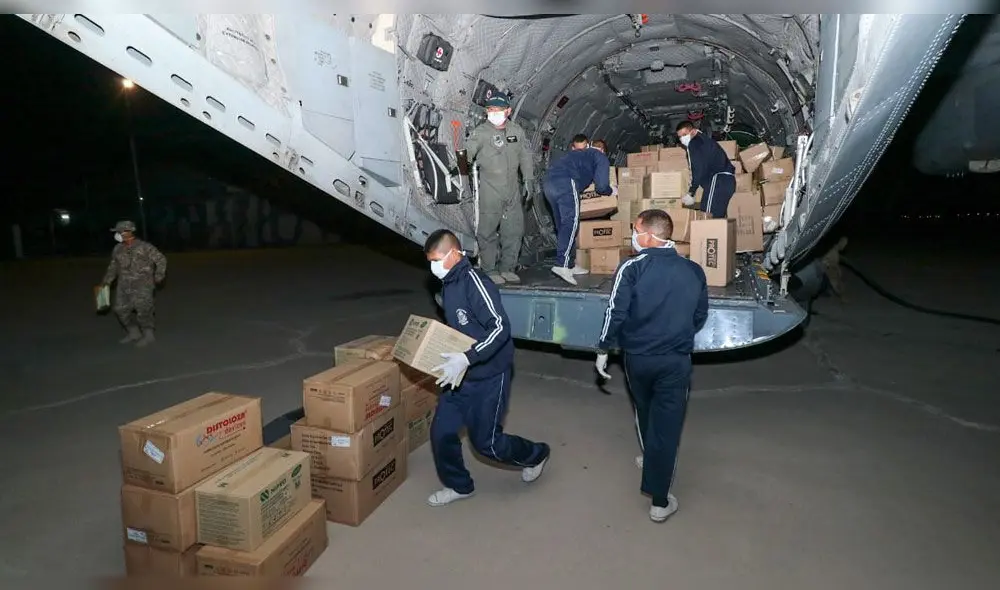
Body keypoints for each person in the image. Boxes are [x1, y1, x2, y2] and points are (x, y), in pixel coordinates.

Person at [593, 209, 708, 523]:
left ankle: (652, 462)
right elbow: (700, 316)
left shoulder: (632, 267)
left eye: (635, 229)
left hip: (638, 359)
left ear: (648, 235)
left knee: (644, 410)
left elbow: (615, 311)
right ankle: (660, 500)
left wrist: (604, 348)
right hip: (676, 360)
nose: (633, 235)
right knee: (668, 426)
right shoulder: (694, 270)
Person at [424, 229, 551, 507]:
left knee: (487, 444)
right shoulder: (448, 282)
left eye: (437, 259)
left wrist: (468, 357)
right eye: (430, 261)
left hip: (490, 374)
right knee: (441, 432)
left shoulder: (474, 282)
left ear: (454, 254)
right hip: (460, 374)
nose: (433, 267)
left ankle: (536, 454)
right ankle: (459, 486)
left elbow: (500, 328)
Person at [465, 95, 535, 285]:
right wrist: (463, 161)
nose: (494, 113)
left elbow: (525, 156)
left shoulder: (516, 131)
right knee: (487, 231)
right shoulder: (481, 132)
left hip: (512, 189)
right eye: (490, 110)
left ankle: (507, 267)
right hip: (490, 189)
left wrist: (528, 179)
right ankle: (489, 269)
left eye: (498, 110)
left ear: (508, 111)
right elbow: (468, 151)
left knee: (514, 230)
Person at [542, 135, 617, 285]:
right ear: (603, 150)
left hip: (548, 184)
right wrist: (612, 191)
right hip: (566, 183)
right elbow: (601, 186)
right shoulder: (599, 156)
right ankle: (562, 265)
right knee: (571, 222)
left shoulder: (574, 155)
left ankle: (569, 264)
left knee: (562, 226)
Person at [101, 220, 167, 347]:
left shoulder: (144, 247)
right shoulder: (118, 248)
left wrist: (159, 275)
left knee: (143, 309)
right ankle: (133, 332)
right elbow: (113, 266)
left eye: (119, 232)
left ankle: (148, 335)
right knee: (120, 309)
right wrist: (106, 281)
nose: (117, 234)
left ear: (128, 232)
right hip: (124, 284)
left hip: (143, 284)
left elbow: (161, 259)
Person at [676, 121, 736, 219]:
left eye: (684, 134)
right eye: (680, 137)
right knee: (717, 218)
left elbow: (697, 169)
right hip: (727, 181)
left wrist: (691, 192)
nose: (682, 138)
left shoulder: (694, 144)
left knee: (707, 217)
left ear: (694, 131)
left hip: (718, 181)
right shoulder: (705, 140)